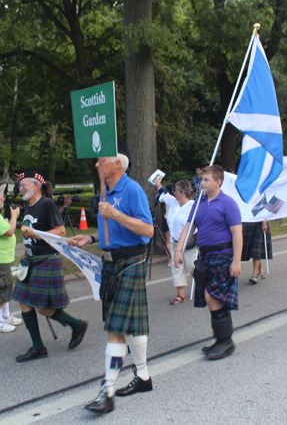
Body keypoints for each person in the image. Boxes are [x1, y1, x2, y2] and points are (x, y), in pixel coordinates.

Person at [70, 142, 154, 414]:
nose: (96, 164)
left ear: (117, 164)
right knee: (129, 325)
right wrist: (92, 237)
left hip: (129, 263)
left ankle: (107, 393)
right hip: (110, 265)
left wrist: (115, 213)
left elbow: (149, 230)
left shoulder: (132, 190)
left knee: (116, 329)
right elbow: (113, 228)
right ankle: (143, 377)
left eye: (101, 160)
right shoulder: (105, 190)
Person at [11, 169, 88, 361]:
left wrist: (34, 234)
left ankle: (77, 325)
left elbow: (61, 231)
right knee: (23, 300)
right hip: (31, 260)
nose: (20, 188)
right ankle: (38, 347)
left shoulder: (47, 204)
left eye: (24, 185)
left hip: (46, 259)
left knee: (42, 308)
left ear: (35, 185)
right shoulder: (29, 205)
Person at [174, 165, 242, 361]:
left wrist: (236, 261)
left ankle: (225, 341)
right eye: (201, 179)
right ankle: (222, 340)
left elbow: (237, 233)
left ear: (218, 182)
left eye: (206, 180)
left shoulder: (228, 204)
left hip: (223, 254)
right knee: (213, 297)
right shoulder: (198, 204)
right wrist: (178, 250)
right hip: (205, 257)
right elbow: (188, 227)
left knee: (212, 296)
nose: (201, 183)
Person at [155, 177, 195, 304]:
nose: (174, 193)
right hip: (175, 243)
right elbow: (163, 192)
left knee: (194, 267)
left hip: (190, 243)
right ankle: (180, 295)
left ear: (183, 193)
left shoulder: (193, 206)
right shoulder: (173, 202)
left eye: (177, 191)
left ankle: (206, 289)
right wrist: (157, 183)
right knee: (176, 268)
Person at [0, 183, 22, 332]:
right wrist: (14, 217)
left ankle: (6, 315)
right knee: (2, 288)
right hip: (1, 259)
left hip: (6, 257)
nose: (3, 197)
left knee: (7, 287)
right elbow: (10, 231)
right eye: (1, 195)